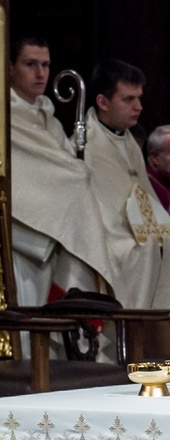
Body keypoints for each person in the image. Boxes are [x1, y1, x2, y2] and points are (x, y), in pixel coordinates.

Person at [9, 36, 114, 359]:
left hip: (54, 237)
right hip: (22, 234)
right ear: (9, 67)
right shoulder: (5, 116)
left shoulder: (50, 120)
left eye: (45, 65)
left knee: (48, 315)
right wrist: (73, 177)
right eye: (30, 64)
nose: (41, 73)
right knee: (25, 318)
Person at [85, 58, 170, 358]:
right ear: (103, 101)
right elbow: (97, 209)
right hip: (109, 243)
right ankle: (126, 352)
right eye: (128, 99)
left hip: (136, 237)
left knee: (169, 246)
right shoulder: (88, 144)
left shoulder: (128, 141)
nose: (138, 107)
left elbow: (142, 197)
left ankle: (161, 351)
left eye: (139, 98)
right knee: (145, 251)